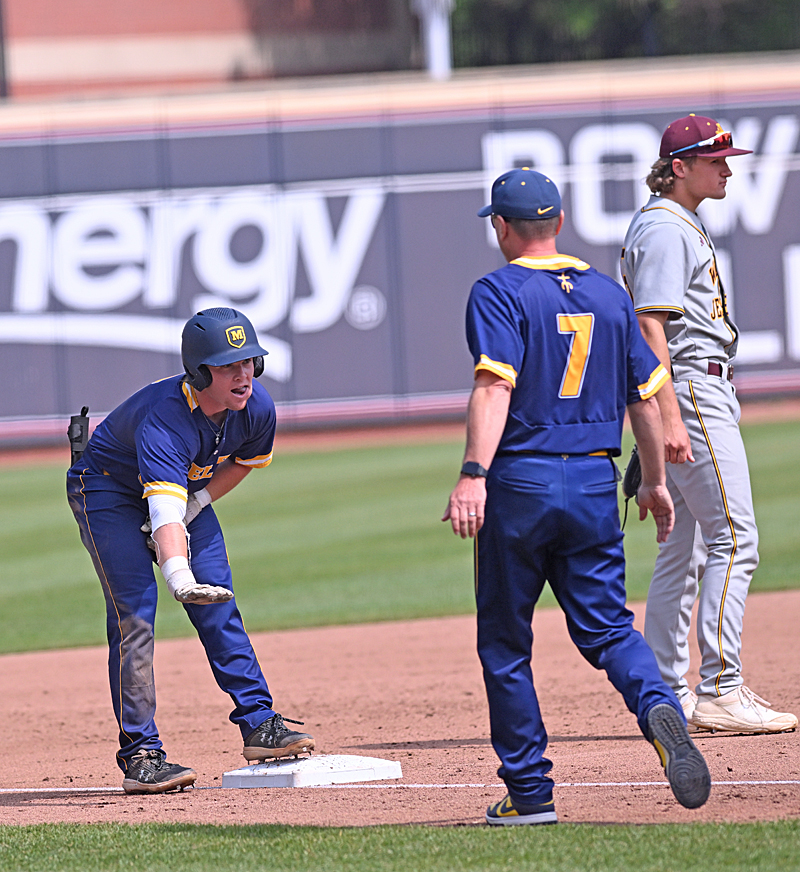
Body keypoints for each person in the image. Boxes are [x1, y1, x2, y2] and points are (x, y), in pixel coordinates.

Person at [443, 168, 711, 826]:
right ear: (559, 223)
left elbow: (494, 387)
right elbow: (645, 398)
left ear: (501, 228)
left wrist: (473, 473)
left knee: (507, 643)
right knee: (611, 628)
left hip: (522, 482)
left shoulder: (498, 290)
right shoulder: (607, 295)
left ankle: (530, 794)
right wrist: (652, 481)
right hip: (593, 480)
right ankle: (657, 705)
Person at [67, 307, 315, 795]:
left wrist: (198, 502)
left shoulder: (256, 407)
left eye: (249, 362)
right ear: (201, 373)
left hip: (182, 493)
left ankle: (260, 725)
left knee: (220, 602)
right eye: (229, 367)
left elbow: (244, 461)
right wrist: (178, 574)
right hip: (106, 491)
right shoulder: (165, 421)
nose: (244, 375)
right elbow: (162, 512)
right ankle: (141, 753)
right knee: (135, 615)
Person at [621, 114, 798, 734]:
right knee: (734, 538)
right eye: (715, 159)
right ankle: (721, 687)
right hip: (694, 387)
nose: (727, 168)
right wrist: (666, 414)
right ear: (679, 168)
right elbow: (650, 327)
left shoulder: (674, 222)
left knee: (685, 548)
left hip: (691, 386)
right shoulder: (667, 228)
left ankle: (666, 689)